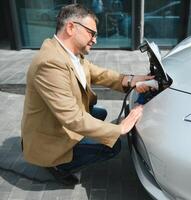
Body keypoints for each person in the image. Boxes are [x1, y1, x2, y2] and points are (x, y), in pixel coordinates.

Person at [21, 4, 154, 185]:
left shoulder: (69, 53)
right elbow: (72, 118)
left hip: (57, 122)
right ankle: (58, 166)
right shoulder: (50, 63)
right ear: (71, 27)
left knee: (99, 114)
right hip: (50, 138)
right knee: (113, 145)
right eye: (92, 33)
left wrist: (132, 80)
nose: (95, 40)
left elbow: (99, 73)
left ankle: (79, 146)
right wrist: (119, 129)